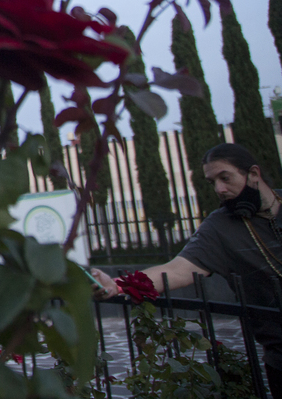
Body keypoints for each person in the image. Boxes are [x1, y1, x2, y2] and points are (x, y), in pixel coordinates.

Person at [90, 143, 282, 393]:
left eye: (226, 178)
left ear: (253, 174)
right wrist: (118, 285)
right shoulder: (219, 227)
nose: (220, 189)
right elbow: (177, 269)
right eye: (212, 182)